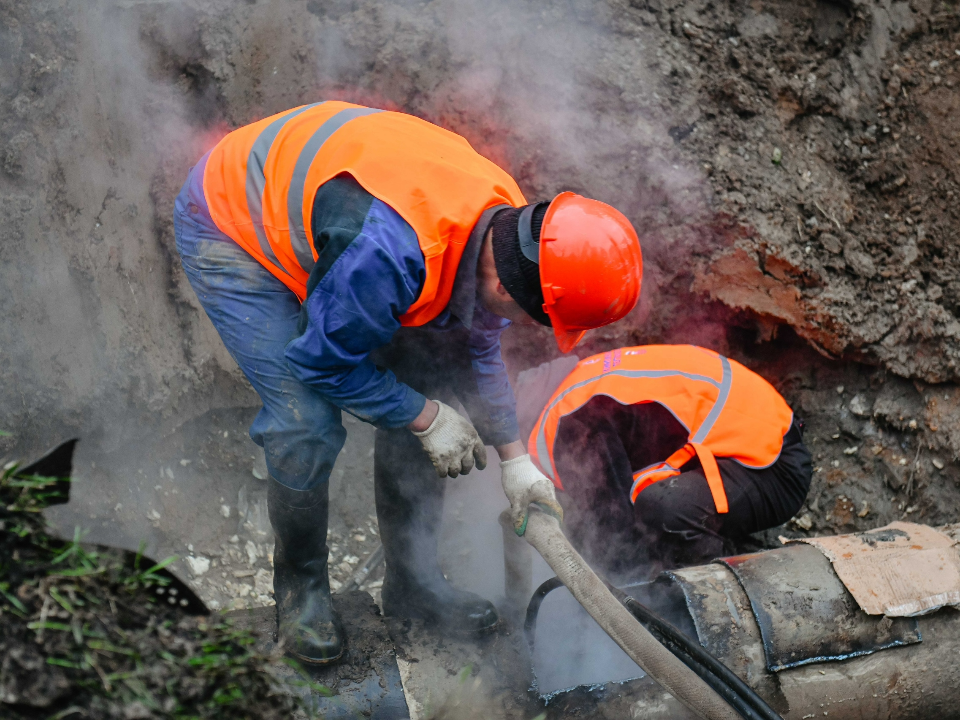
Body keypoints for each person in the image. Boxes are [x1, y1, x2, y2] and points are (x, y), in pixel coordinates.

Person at [172, 100, 643, 664]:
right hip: (231, 221)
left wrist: (514, 458)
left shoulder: (522, 236)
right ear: (507, 287)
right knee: (306, 423)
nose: (524, 326)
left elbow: (479, 342)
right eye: (532, 318)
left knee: (431, 375)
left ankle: (413, 584)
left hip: (345, 224)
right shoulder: (387, 253)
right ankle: (301, 593)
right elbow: (319, 365)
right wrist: (425, 418)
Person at [519, 345, 811, 580]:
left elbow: (613, 524)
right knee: (653, 512)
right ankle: (705, 541)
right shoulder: (583, 381)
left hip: (774, 471)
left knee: (659, 506)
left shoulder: (567, 419)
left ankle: (712, 594)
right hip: (765, 442)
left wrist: (625, 593)